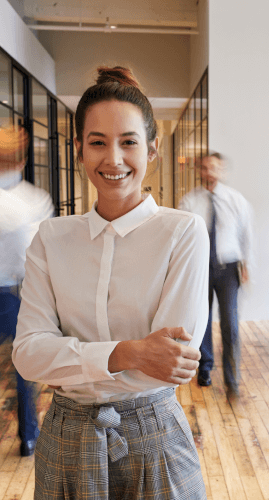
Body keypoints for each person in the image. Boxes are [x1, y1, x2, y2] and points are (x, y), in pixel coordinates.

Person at [12, 67, 209, 499]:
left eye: (129, 142)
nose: (113, 159)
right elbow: (28, 355)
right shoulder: (51, 237)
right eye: (98, 142)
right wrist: (130, 352)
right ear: (80, 150)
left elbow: (173, 359)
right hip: (65, 439)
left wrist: (71, 360)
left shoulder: (183, 232)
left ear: (152, 149)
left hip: (154, 435)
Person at [178, 152, 253, 398]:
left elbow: (246, 235)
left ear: (222, 172)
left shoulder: (235, 200)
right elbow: (182, 237)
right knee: (203, 320)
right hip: (200, 268)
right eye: (206, 168)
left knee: (230, 322)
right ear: (200, 171)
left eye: (215, 168)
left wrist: (247, 265)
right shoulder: (190, 201)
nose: (210, 172)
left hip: (229, 267)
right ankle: (205, 368)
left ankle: (232, 379)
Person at [0, 125, 54, 457]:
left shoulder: (33, 201)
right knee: (24, 369)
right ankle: (29, 437)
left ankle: (29, 436)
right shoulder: (35, 200)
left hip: (15, 293)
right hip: (16, 294)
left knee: (24, 369)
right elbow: (38, 256)